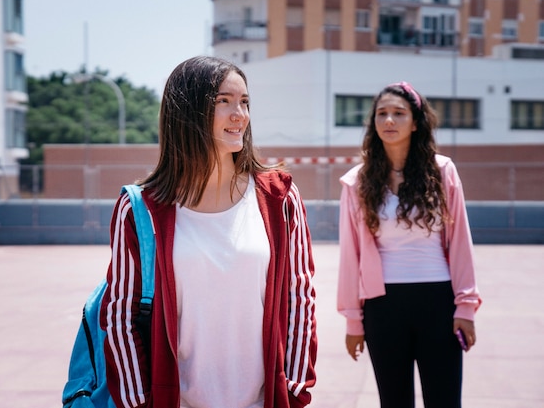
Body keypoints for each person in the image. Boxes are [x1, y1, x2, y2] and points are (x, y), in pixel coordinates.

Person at [100, 56, 317, 408]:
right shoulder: (142, 209)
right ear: (186, 111)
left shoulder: (279, 198)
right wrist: (138, 401)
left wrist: (293, 389)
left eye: (244, 102)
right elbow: (120, 315)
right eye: (223, 102)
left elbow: (300, 298)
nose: (240, 115)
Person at [337, 81, 482, 408]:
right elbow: (351, 256)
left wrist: (466, 306)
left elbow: (461, 242)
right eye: (382, 113)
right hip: (383, 306)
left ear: (415, 122)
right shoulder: (357, 182)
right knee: (394, 402)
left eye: (398, 113)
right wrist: (353, 320)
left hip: (438, 301)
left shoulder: (442, 171)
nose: (389, 120)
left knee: (444, 401)